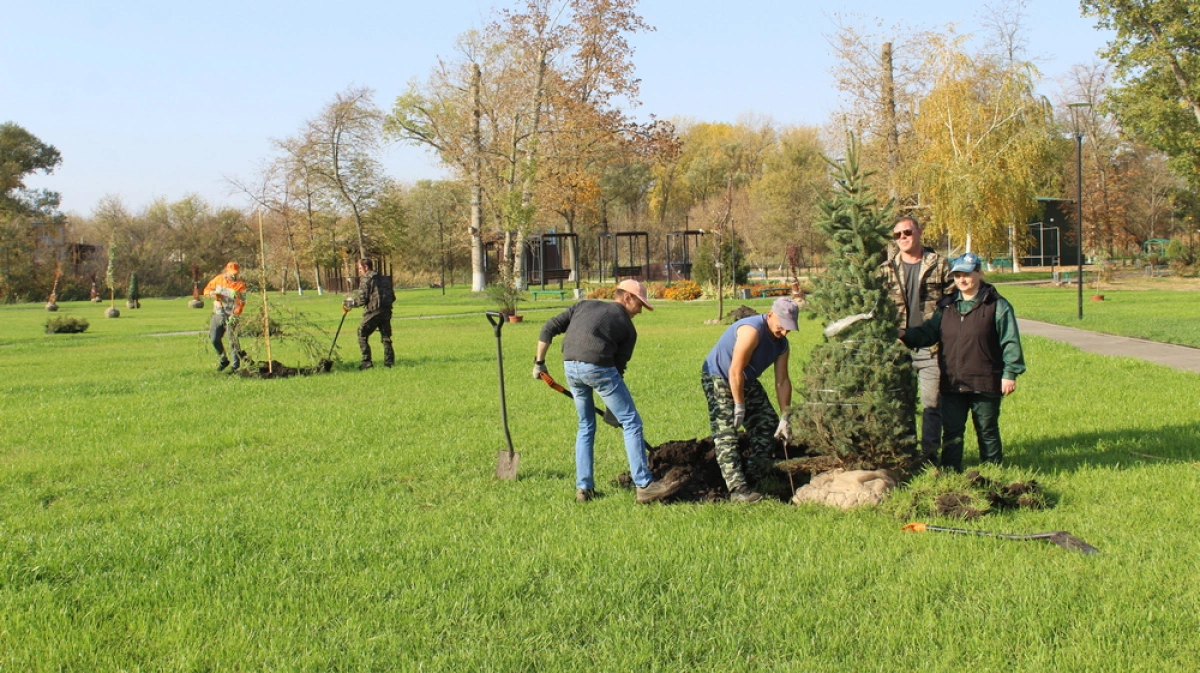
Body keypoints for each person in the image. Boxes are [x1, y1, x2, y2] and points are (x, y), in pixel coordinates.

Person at [533, 279, 680, 504]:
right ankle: (644, 485)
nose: (640, 311)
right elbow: (617, 370)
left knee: (586, 424)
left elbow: (548, 328)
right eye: (640, 304)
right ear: (627, 297)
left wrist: (539, 363)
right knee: (631, 422)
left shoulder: (583, 305)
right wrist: (615, 410)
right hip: (598, 366)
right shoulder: (628, 329)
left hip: (570, 366)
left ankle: (584, 488)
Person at [900, 252, 1025, 472]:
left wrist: (1009, 374)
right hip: (953, 382)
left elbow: (1010, 341)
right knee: (952, 431)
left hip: (985, 381)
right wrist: (904, 334)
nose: (962, 280)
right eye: (957, 275)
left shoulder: (997, 305)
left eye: (967, 274)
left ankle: (992, 471)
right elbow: (928, 333)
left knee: (986, 429)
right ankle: (950, 472)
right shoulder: (947, 307)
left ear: (979, 273)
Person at [701, 296, 798, 503]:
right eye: (782, 326)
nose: (784, 332)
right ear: (771, 315)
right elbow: (734, 371)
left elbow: (782, 381)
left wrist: (785, 416)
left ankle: (756, 472)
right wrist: (739, 406)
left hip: (746, 378)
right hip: (720, 376)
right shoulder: (751, 331)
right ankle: (738, 489)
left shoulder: (782, 345)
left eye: (789, 329)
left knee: (768, 423)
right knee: (726, 432)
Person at [878, 215, 954, 462]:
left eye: (907, 232)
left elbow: (952, 301)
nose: (903, 238)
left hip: (931, 346)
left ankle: (929, 458)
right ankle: (907, 455)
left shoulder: (940, 265)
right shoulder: (885, 269)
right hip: (898, 348)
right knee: (902, 404)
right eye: (898, 235)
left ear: (919, 232)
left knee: (932, 405)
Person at [344, 259, 395, 369]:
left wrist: (350, 303)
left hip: (373, 312)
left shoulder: (366, 279)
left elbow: (362, 300)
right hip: (386, 311)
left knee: (362, 333)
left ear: (366, 267)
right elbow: (393, 297)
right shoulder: (385, 279)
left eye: (360, 269)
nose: (359, 272)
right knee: (386, 337)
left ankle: (366, 362)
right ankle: (389, 362)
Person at [203, 262, 248, 372]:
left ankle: (235, 367)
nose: (233, 276)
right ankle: (223, 359)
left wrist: (235, 315)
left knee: (232, 340)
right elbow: (206, 291)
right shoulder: (218, 280)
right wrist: (215, 293)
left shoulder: (241, 285)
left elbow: (242, 302)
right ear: (226, 271)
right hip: (218, 313)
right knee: (214, 339)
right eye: (231, 273)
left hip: (231, 314)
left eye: (235, 273)